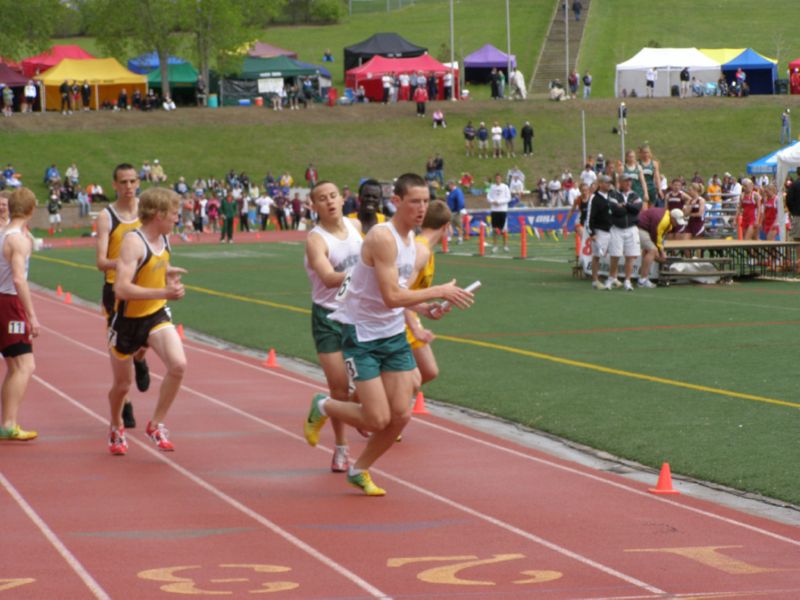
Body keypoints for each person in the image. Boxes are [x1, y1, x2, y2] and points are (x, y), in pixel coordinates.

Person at [303, 173, 474, 496]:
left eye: (425, 201)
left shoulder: (416, 247)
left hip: (393, 335)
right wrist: (436, 291)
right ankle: (323, 405)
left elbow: (402, 295)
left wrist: (425, 311)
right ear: (396, 202)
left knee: (401, 416)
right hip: (362, 335)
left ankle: (359, 469)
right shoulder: (383, 238)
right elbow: (391, 297)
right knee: (375, 419)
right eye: (414, 202)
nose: (421, 208)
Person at [107, 187, 187, 455]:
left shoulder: (164, 239)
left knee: (178, 365)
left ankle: (156, 424)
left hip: (155, 314)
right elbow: (121, 289)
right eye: (174, 213)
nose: (177, 218)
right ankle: (116, 424)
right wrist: (165, 291)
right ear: (158, 214)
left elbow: (153, 266)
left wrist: (167, 273)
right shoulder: (133, 241)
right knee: (122, 386)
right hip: (127, 322)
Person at [304, 181, 363, 472]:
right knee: (339, 387)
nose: (329, 202)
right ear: (314, 206)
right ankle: (341, 448)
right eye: (322, 199)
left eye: (333, 196)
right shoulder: (316, 239)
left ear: (343, 198)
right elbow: (327, 277)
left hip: (356, 314)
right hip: (328, 317)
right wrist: (365, 272)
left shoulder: (355, 226)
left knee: (368, 382)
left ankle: (362, 413)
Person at [96, 164, 151, 430]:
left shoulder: (147, 211)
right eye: (123, 182)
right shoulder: (107, 216)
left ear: (138, 182)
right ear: (114, 185)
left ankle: (141, 358)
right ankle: (126, 402)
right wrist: (127, 262)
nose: (128, 186)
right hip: (116, 290)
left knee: (146, 338)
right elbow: (101, 261)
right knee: (120, 350)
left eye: (132, 181)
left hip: (146, 285)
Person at [0, 188, 40, 441]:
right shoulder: (18, 239)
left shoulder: (5, 233)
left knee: (15, 365)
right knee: (25, 364)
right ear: (31, 210)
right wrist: (32, 315)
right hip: (9, 303)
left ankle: (8, 422)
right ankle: (9, 423)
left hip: (4, 300)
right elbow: (18, 278)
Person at [404, 200, 451, 394]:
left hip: (409, 314)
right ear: (446, 227)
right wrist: (415, 328)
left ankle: (382, 399)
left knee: (429, 371)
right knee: (410, 383)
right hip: (397, 319)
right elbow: (398, 293)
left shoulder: (427, 250)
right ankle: (357, 402)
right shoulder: (420, 250)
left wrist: (427, 307)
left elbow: (411, 293)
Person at [606, 174, 642, 291]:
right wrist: (628, 208)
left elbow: (637, 209)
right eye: (626, 181)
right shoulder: (613, 194)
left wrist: (625, 205)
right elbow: (616, 210)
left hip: (631, 228)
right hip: (617, 228)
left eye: (629, 181)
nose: (628, 183)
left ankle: (627, 280)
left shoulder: (635, 195)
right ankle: (612, 278)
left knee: (630, 256)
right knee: (615, 255)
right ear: (620, 182)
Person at [637, 207, 686, 288]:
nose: (677, 224)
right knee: (652, 250)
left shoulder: (668, 220)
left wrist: (661, 251)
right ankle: (642, 280)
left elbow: (660, 237)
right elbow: (656, 236)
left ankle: (642, 275)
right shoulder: (664, 220)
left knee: (649, 250)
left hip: (646, 229)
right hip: (639, 228)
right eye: (677, 221)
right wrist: (661, 252)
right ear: (672, 218)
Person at [587, 175, 613, 289]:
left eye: (610, 183)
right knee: (597, 256)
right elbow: (589, 217)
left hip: (612, 230)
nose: (609, 185)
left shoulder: (611, 196)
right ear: (600, 184)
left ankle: (612, 278)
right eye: (606, 183)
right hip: (600, 231)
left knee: (614, 254)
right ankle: (595, 280)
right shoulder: (595, 198)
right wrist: (592, 233)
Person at [487, 173, 510, 252]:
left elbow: (508, 198)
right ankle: (495, 246)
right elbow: (488, 196)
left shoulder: (505, 187)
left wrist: (499, 202)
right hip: (494, 210)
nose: (498, 179)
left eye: (499, 178)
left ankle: (505, 246)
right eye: (496, 178)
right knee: (494, 229)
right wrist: (492, 201)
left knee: (504, 230)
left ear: (501, 179)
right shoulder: (492, 187)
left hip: (502, 210)